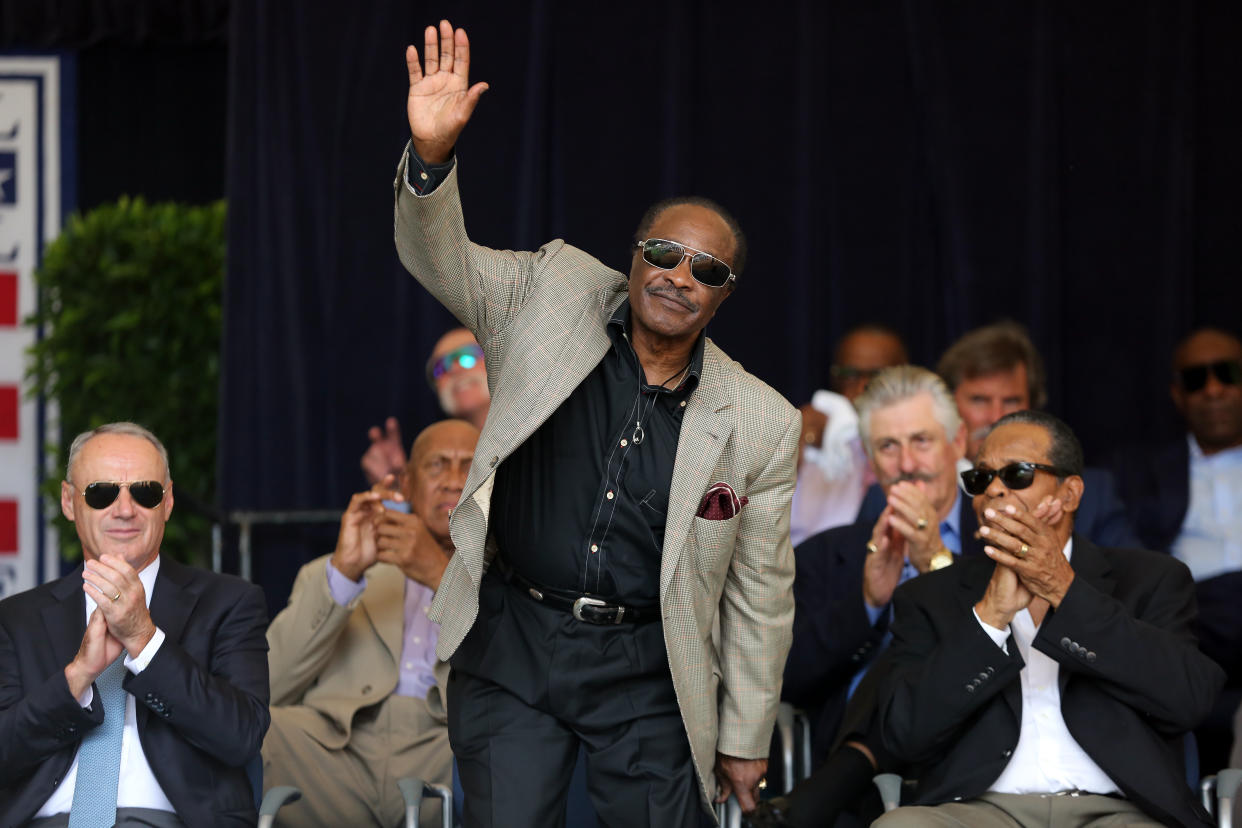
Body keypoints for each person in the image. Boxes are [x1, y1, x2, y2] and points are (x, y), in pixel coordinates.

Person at [393, 20, 800, 826]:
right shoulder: (551, 293)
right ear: (634, 254)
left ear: (724, 297)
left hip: (648, 665)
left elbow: (761, 593)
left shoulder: (759, 420)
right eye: (664, 252)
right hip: (514, 637)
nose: (680, 277)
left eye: (707, 271)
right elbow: (441, 263)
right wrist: (432, 160)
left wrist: (748, 734)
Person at [873, 410, 1224, 827]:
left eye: (1017, 474)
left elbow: (1188, 700)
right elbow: (902, 736)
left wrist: (1063, 589)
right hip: (978, 810)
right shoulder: (931, 595)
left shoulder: (1151, 579)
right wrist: (989, 619)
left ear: (1071, 493)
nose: (995, 491)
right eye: (981, 479)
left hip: (1119, 811)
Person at [0, 422, 270, 828]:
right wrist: (78, 677)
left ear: (168, 502)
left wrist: (145, 641)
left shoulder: (229, 603)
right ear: (70, 502)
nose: (125, 509)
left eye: (145, 493)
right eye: (102, 493)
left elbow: (241, 737)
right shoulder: (16, 618)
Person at [263, 419, 476, 827]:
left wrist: (440, 575)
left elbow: (524, 681)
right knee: (247, 730)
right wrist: (344, 574)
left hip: (445, 744)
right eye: (437, 466)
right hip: (335, 748)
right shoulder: (335, 570)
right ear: (407, 485)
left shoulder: (516, 578)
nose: (453, 481)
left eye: (469, 466)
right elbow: (269, 685)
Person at [782, 366, 977, 769]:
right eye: (888, 446)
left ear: (957, 442)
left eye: (922, 441)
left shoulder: (998, 542)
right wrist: (867, 603)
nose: (907, 463)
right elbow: (786, 678)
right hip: (850, 772)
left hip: (972, 759)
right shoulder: (826, 553)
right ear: (871, 460)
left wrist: (937, 565)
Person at [860, 321, 1138, 548]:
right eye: (980, 400)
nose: (996, 417)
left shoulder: (1092, 494)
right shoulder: (898, 489)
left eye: (1011, 401)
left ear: (1032, 407)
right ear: (949, 408)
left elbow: (1134, 594)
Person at [1113, 326, 1242, 773]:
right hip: (1195, 618)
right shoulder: (1140, 472)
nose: (1213, 389)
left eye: (1226, 374)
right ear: (1176, 394)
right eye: (1195, 379)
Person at [790, 325, 908, 545]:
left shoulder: (920, 446)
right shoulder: (813, 437)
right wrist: (797, 445)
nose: (863, 386)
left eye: (877, 375)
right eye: (850, 375)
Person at [361, 326, 490, 485]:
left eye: (467, 356)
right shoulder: (436, 468)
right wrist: (397, 487)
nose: (454, 369)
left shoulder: (528, 439)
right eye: (441, 367)